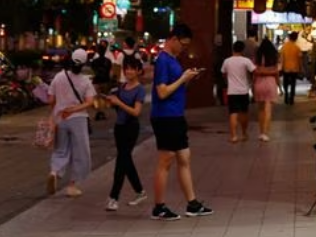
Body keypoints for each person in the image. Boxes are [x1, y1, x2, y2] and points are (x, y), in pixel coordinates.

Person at [150, 23, 213, 220]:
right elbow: (162, 92)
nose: (184, 48)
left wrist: (186, 79)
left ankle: (192, 203)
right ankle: (159, 206)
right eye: (183, 44)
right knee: (166, 160)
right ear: (174, 39)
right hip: (165, 115)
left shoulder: (174, 60)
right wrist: (183, 79)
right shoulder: (163, 60)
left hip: (175, 115)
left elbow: (174, 89)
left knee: (184, 157)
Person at [47, 48, 96, 198]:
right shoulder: (85, 80)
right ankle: (72, 185)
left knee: (61, 149)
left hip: (61, 118)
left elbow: (50, 99)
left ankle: (54, 171)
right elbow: (90, 102)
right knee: (81, 152)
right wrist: (75, 108)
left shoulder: (59, 77)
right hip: (78, 119)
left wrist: (57, 112)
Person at [103, 57, 147, 211]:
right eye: (126, 68)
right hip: (119, 127)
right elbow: (116, 108)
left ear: (138, 71)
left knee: (121, 162)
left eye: (132, 68)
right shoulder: (121, 87)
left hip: (131, 128)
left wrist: (119, 103)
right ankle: (140, 191)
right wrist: (109, 102)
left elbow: (136, 112)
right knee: (125, 160)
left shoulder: (140, 89)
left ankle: (114, 197)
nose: (128, 71)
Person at [220, 40, 257, 143]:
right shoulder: (246, 61)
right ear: (243, 50)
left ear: (233, 48)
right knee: (244, 113)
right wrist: (252, 81)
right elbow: (254, 71)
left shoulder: (227, 61)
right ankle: (244, 133)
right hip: (243, 90)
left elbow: (223, 73)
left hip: (232, 91)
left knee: (233, 113)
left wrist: (228, 80)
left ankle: (233, 136)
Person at [252, 36, 279, 142]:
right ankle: (265, 134)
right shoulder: (274, 56)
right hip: (270, 83)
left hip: (259, 83)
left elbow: (254, 71)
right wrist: (278, 84)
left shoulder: (257, 57)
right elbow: (276, 72)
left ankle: (261, 131)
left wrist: (254, 82)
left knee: (260, 110)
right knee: (268, 110)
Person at [279, 31, 303, 105]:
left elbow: (281, 58)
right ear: (295, 38)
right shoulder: (297, 48)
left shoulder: (284, 47)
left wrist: (281, 67)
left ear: (289, 37)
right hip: (295, 68)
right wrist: (301, 68)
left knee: (285, 83)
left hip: (285, 67)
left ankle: (286, 96)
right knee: (293, 83)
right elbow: (299, 59)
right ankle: (291, 98)